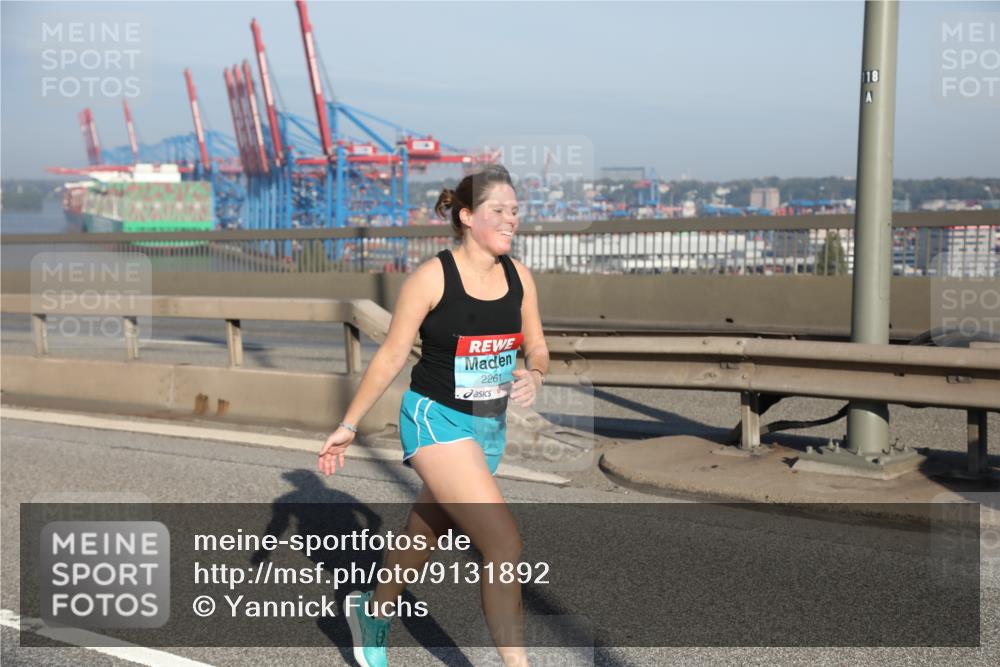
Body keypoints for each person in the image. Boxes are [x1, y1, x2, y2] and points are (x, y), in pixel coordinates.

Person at [318, 164, 549, 667]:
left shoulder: (519, 277)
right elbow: (391, 355)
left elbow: (537, 345)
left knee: (426, 529)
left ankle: (372, 611)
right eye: (498, 210)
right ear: (467, 217)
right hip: (435, 419)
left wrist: (535, 372)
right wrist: (348, 425)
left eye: (514, 210)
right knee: (503, 544)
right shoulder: (432, 277)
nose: (511, 219)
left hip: (487, 426)